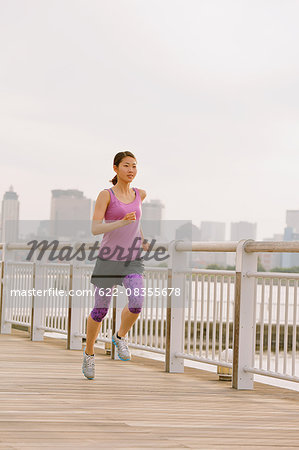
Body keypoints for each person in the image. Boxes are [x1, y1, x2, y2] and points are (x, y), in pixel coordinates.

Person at [82, 151, 150, 380]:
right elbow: (95, 229)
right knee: (100, 311)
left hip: (132, 258)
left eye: (134, 166)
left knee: (137, 301)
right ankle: (89, 353)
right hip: (108, 259)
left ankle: (120, 337)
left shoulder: (140, 194)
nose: (131, 170)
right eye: (126, 166)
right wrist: (121, 222)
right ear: (115, 168)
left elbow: (136, 222)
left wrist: (142, 238)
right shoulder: (106, 195)